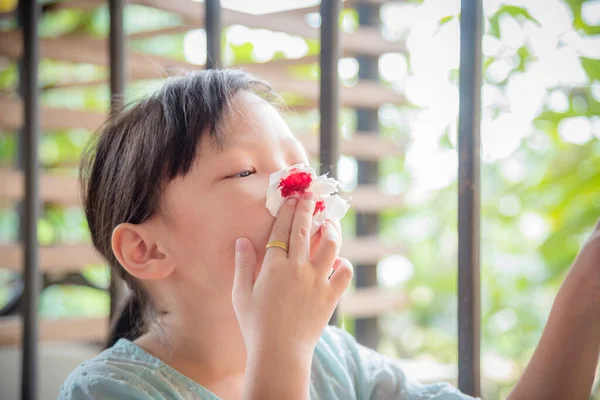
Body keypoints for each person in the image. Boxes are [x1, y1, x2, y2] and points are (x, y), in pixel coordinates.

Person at [59, 69, 600, 400]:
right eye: (245, 172)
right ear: (147, 249)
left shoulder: (337, 362)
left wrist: (588, 285)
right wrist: (281, 350)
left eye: (300, 165)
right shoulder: (107, 391)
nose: (299, 187)